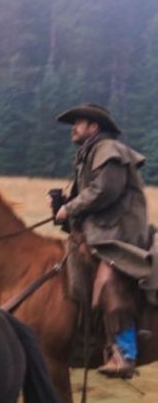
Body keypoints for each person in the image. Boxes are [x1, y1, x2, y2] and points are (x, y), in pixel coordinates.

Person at [54, 103, 149, 378]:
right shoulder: (90, 153)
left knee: (108, 280)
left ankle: (124, 352)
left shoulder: (108, 150)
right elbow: (89, 197)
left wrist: (69, 209)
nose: (73, 128)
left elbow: (105, 191)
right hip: (103, 230)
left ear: (94, 127)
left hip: (120, 234)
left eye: (78, 123)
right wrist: (62, 205)